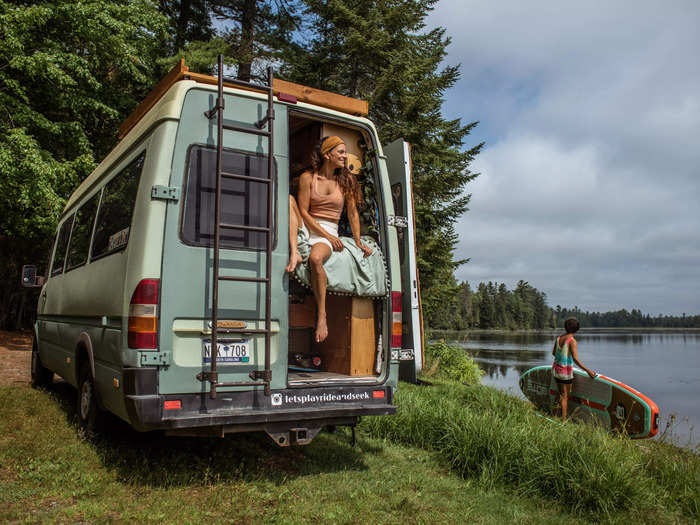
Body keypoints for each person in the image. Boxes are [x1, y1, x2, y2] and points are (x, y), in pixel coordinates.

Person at [285, 136, 373, 343]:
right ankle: (294, 252)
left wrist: (358, 241)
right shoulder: (308, 178)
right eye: (341, 152)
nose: (345, 156)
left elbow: (352, 215)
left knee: (316, 259)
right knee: (289, 201)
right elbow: (304, 212)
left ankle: (321, 315)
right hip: (309, 226)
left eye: (345, 152)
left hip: (328, 230)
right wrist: (326, 236)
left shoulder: (346, 182)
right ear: (327, 154)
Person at [552, 317, 597, 419]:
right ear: (577, 329)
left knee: (559, 394)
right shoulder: (572, 341)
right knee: (565, 396)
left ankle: (554, 416)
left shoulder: (559, 338)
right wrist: (588, 371)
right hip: (565, 373)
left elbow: (554, 353)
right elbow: (576, 359)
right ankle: (563, 420)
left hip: (556, 370)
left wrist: (562, 357)